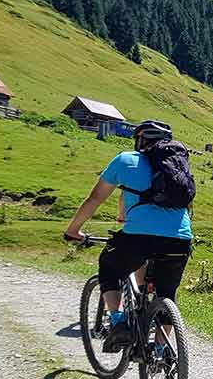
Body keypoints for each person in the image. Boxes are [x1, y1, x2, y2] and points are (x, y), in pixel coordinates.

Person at [64, 120, 193, 351]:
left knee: (109, 266)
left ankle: (118, 323)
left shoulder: (125, 160)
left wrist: (73, 230)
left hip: (138, 238)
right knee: (166, 292)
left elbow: (95, 199)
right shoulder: (177, 169)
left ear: (140, 141)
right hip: (180, 239)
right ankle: (161, 351)